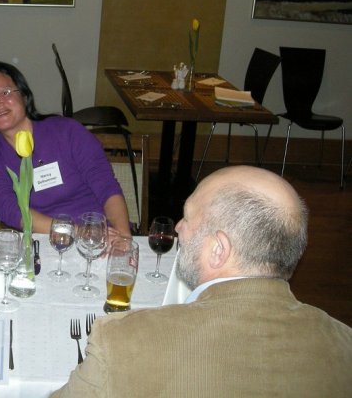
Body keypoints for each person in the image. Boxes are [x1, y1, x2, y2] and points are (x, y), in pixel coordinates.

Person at [51, 165, 352, 397]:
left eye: (187, 217)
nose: (178, 228)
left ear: (218, 249)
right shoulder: (344, 345)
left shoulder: (123, 341)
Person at [0, 61, 131, 236]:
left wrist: (123, 235)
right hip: (44, 241)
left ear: (24, 96)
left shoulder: (66, 130)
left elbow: (106, 186)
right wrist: (79, 233)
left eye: (5, 92)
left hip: (99, 234)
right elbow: (11, 211)